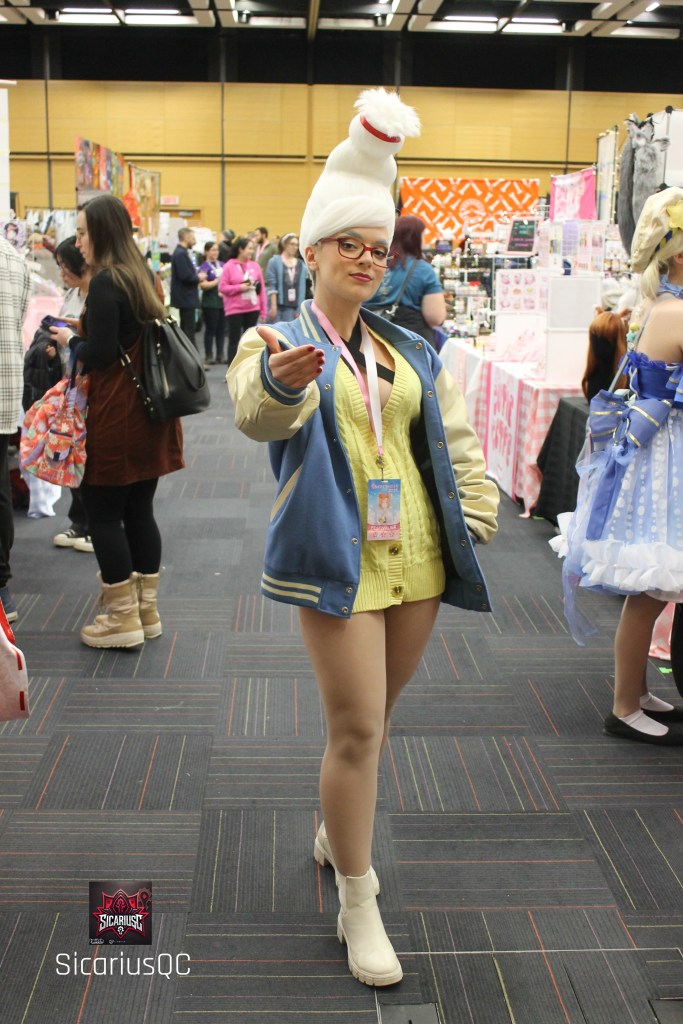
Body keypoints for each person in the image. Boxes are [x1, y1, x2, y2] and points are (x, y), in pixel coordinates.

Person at [227, 88, 498, 988]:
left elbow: (451, 433)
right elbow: (255, 415)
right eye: (348, 244)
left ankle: (334, 826)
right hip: (336, 556)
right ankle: (357, 897)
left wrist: (474, 506)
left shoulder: (406, 346)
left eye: (377, 249)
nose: (366, 261)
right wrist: (282, 381)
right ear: (310, 250)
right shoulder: (274, 339)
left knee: (376, 722)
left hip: (415, 553)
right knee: (354, 728)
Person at [558, 186, 683, 746]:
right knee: (650, 589)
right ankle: (624, 706)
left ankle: (637, 692)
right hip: (664, 456)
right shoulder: (674, 311)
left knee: (653, 588)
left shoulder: (660, 305)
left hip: (658, 452)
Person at [50, 194, 184, 649]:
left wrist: (70, 339)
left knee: (103, 513)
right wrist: (85, 330)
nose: (78, 242)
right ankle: (146, 612)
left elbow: (102, 355)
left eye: (83, 232)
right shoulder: (141, 274)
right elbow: (126, 336)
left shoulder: (106, 281)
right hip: (151, 412)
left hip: (117, 413)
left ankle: (121, 620)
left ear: (102, 233)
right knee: (139, 509)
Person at [31, 235, 94, 551]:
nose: (62, 272)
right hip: (69, 386)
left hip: (93, 386)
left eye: (65, 266)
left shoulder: (99, 294)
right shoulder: (71, 293)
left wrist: (71, 335)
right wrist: (54, 347)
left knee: (90, 456)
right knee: (68, 451)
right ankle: (79, 521)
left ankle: (96, 525)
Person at [0, 236, 32, 624]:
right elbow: (20, 318)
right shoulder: (13, 258)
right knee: (0, 490)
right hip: (5, 388)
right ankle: (2, 590)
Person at [366, 214, 445, 347]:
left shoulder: (374, 262)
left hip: (368, 339)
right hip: (409, 345)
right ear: (415, 238)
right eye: (423, 236)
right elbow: (435, 318)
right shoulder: (423, 270)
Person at [218, 236, 267, 365]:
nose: (252, 251)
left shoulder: (255, 266)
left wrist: (263, 311)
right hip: (234, 309)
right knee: (234, 341)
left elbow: (261, 289)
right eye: (249, 248)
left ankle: (248, 369)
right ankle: (232, 370)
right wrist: (240, 288)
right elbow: (222, 288)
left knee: (250, 342)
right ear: (240, 249)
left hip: (253, 308)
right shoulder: (229, 266)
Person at [581, 307, 628, 401]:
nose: (598, 342)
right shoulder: (594, 376)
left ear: (616, 341)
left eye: (605, 338)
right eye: (595, 336)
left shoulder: (625, 381)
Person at [170, 227, 205, 353]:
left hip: (185, 298)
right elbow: (185, 276)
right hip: (186, 298)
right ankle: (192, 356)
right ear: (186, 238)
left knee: (187, 328)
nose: (194, 241)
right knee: (189, 329)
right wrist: (198, 277)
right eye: (193, 238)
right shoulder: (181, 254)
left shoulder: (180, 252)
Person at [265, 233, 308, 322]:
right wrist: (273, 306)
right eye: (292, 244)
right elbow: (272, 285)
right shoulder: (274, 261)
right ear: (284, 244)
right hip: (277, 305)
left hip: (293, 307)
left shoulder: (301, 265)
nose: (295, 247)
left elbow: (302, 288)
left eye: (297, 245)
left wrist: (299, 309)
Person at [198, 240, 226, 364]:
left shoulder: (223, 265)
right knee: (210, 329)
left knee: (221, 329)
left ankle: (220, 354)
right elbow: (203, 285)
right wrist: (217, 281)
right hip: (210, 302)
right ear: (206, 252)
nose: (216, 252)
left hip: (223, 302)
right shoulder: (204, 267)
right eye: (213, 250)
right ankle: (209, 355)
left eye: (217, 250)